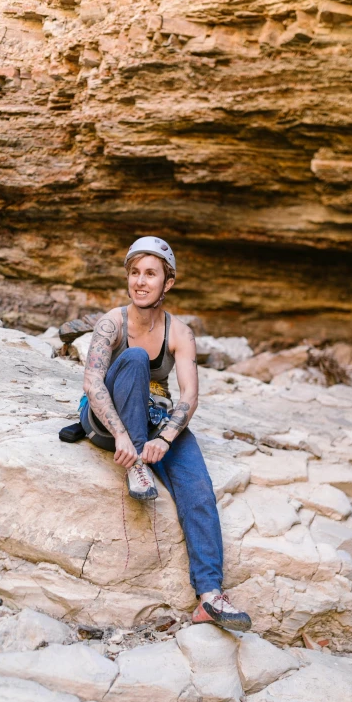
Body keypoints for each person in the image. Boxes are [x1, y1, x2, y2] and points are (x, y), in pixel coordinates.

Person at [79, 236, 251, 632]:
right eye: (134, 273)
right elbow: (92, 383)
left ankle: (210, 597)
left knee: (199, 487)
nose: (140, 282)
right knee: (136, 357)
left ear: (167, 283)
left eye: (150, 274)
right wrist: (126, 439)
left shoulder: (180, 332)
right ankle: (135, 466)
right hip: (107, 419)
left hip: (155, 418)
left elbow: (190, 396)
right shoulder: (113, 322)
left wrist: (166, 439)